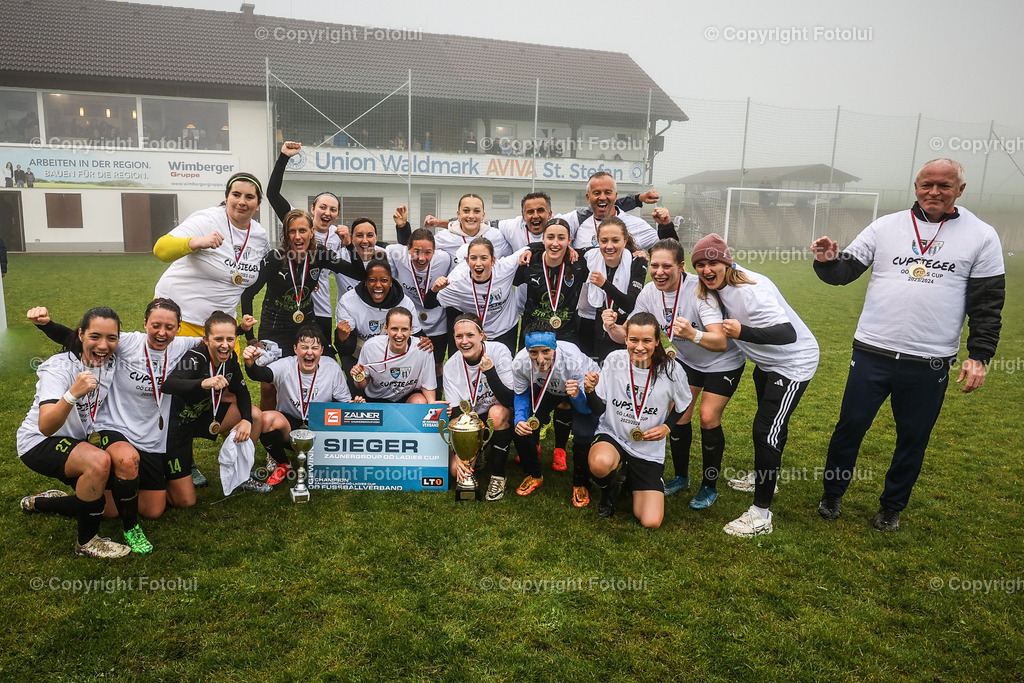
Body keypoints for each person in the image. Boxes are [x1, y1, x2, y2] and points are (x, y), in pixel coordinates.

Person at [811, 158, 1005, 531]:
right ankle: (832, 494)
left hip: (930, 360)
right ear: (915, 187)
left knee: (913, 438)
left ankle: (892, 506)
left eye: (944, 186)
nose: (934, 192)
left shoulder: (982, 235)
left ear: (959, 190)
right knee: (850, 427)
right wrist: (826, 259)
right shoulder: (886, 226)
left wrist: (979, 355)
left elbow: (988, 303)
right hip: (872, 351)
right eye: (926, 185)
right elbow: (843, 273)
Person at [26, 300, 199, 524]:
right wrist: (46, 325)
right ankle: (44, 503)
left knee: (153, 510)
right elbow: (79, 338)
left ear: (178, 327)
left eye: (169, 327)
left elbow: (215, 340)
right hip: (117, 427)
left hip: (153, 435)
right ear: (145, 322)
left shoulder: (183, 345)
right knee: (112, 503)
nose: (162, 333)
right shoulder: (125, 342)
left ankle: (124, 486)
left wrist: (243, 331)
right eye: (156, 325)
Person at [692, 234, 819, 537]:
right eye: (700, 264)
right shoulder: (716, 287)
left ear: (727, 261)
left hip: (792, 364)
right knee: (772, 428)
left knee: (766, 431)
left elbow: (787, 333)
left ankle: (761, 514)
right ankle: (768, 479)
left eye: (713, 263)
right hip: (766, 364)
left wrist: (743, 332)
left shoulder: (751, 291)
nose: (707, 270)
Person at [608, 238, 742, 510]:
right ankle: (681, 476)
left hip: (723, 362)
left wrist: (692, 334)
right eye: (654, 265)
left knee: (707, 417)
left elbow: (720, 342)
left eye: (666, 266)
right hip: (688, 360)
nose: (659, 272)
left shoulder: (698, 290)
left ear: (681, 266)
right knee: (680, 414)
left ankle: (709, 485)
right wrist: (612, 327)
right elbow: (631, 335)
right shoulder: (648, 293)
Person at [16, 308, 134, 557]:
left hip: (76, 441)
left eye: (111, 338)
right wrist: (72, 393)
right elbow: (46, 425)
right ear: (80, 335)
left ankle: (43, 502)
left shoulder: (110, 358)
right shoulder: (57, 368)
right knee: (98, 461)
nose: (103, 345)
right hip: (39, 441)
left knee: (108, 508)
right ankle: (87, 542)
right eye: (95, 336)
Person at [240, 209, 365, 408]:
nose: (297, 236)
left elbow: (359, 274)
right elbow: (248, 294)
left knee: (320, 370)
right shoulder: (275, 258)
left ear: (311, 232)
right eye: (292, 231)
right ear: (286, 235)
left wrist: (349, 245)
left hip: (304, 327)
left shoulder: (320, 254)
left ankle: (312, 419)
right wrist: (250, 338)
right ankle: (269, 432)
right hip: (274, 329)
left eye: (302, 230)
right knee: (268, 386)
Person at [585, 312, 693, 527]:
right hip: (614, 435)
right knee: (599, 463)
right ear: (625, 339)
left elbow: (684, 403)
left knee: (650, 521)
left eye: (647, 340)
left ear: (657, 341)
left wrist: (667, 427)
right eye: (633, 340)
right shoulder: (615, 360)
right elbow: (599, 409)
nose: (639, 347)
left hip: (647, 446)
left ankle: (632, 478)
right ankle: (608, 493)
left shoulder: (672, 370)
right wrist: (589, 391)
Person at [161, 311, 264, 508]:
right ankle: (164, 475)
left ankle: (241, 476)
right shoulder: (194, 357)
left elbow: (242, 393)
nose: (225, 344)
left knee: (255, 415)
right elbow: (169, 384)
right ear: (206, 340)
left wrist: (246, 421)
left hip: (207, 417)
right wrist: (202, 383)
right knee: (185, 501)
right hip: (177, 427)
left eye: (230, 339)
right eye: (218, 339)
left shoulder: (230, 358)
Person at [153, 172, 270, 338]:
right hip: (179, 318)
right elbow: (161, 249)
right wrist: (196, 242)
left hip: (222, 325)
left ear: (258, 204)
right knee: (182, 365)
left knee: (229, 365)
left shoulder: (259, 235)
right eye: (236, 195)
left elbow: (271, 267)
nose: (242, 202)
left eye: (249, 197)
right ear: (226, 199)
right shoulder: (207, 220)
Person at [513, 217, 589, 472]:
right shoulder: (529, 264)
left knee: (565, 392)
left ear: (570, 241)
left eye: (561, 238)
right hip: (534, 336)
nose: (555, 243)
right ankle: (532, 442)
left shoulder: (579, 264)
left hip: (566, 335)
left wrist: (636, 252)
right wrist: (530, 249)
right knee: (535, 386)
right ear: (542, 239)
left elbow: (606, 248)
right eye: (550, 238)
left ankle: (559, 449)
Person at [243, 324, 357, 487]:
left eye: (314, 348)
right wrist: (250, 364)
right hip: (289, 426)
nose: (309, 352)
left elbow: (344, 403)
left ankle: (325, 458)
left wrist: (355, 406)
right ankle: (283, 463)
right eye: (304, 347)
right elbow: (261, 375)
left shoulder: (332, 367)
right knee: (265, 419)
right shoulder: (285, 365)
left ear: (321, 351)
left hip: (319, 426)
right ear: (295, 349)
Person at [266, 141, 348, 356]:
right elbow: (273, 195)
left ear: (337, 215)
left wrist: (349, 242)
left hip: (320, 308)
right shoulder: (299, 222)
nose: (327, 212)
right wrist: (284, 157)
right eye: (322, 207)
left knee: (321, 357)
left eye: (332, 209)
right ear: (312, 209)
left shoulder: (339, 236)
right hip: (289, 308)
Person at [510, 323, 599, 505]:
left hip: (580, 392)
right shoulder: (519, 362)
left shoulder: (572, 359)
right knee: (522, 425)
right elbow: (521, 394)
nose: (540, 359)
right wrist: (519, 418)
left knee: (583, 434)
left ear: (555, 347)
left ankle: (580, 483)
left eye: (546, 352)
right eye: (533, 352)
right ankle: (534, 474)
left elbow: (585, 408)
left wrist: (575, 395)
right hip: (548, 388)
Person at [442, 314, 515, 500]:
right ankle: (478, 450)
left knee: (496, 413)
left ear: (482, 335)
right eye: (459, 336)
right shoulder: (451, 366)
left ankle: (498, 475)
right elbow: (457, 413)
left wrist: (490, 372)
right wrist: (459, 453)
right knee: (454, 470)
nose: (464, 341)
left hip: (498, 414)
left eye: (470, 335)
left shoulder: (499, 352)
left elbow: (509, 399)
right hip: (471, 423)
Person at [385, 220, 455, 379]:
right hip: (409, 324)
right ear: (408, 249)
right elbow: (387, 250)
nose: (422, 258)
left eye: (428, 252)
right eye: (416, 251)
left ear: (434, 251)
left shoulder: (444, 259)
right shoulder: (397, 256)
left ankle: (436, 399)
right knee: (409, 366)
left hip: (438, 324)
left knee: (437, 367)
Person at [334, 258, 422, 381]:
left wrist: (423, 341)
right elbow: (346, 350)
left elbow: (414, 337)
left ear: (391, 282)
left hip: (393, 353)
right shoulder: (349, 301)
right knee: (359, 390)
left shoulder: (404, 302)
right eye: (372, 280)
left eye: (384, 280)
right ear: (365, 282)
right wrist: (342, 338)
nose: (378, 285)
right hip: (359, 354)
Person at [436, 237, 526, 351]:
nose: (478, 263)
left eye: (484, 258)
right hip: (474, 333)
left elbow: (533, 246)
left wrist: (528, 251)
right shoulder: (456, 280)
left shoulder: (504, 267)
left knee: (504, 366)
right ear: (467, 261)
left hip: (505, 330)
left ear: (493, 260)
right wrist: (434, 289)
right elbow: (431, 303)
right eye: (473, 258)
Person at [577, 216, 648, 360]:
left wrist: (604, 284)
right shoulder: (590, 256)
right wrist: (530, 249)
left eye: (615, 240)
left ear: (625, 241)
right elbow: (559, 247)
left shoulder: (637, 262)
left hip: (622, 335)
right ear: (598, 241)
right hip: (594, 333)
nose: (609, 246)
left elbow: (629, 304)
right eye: (604, 241)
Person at [567, 171, 676, 251]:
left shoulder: (636, 224)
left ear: (615, 196)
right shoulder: (576, 221)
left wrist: (666, 226)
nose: (602, 197)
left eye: (608, 192)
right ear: (588, 197)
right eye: (596, 193)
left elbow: (669, 251)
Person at [350, 307, 437, 404]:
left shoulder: (423, 348)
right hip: (377, 399)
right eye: (394, 329)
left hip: (407, 397)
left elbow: (428, 385)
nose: (399, 335)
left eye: (404, 329)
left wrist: (432, 405)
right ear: (386, 328)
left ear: (411, 330)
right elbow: (361, 386)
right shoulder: (371, 347)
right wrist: (358, 376)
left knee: (419, 401)